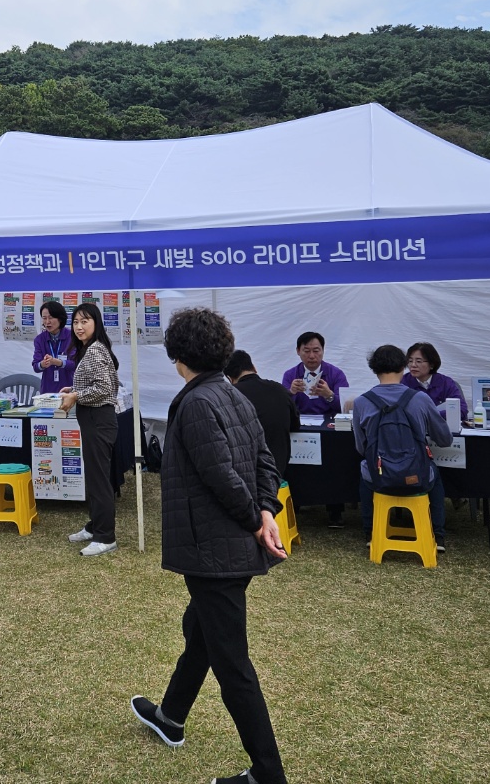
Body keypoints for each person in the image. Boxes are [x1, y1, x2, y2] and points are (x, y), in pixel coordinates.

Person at [132, 307, 287, 784]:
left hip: (217, 550)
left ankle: (267, 773)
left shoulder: (199, 402)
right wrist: (265, 512)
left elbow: (223, 475)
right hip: (228, 547)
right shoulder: (233, 394)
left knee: (231, 661)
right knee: (200, 630)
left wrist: (257, 518)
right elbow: (266, 461)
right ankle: (171, 716)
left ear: (177, 354)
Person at [353, 344, 453, 552]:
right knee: (433, 472)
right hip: (416, 475)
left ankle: (370, 532)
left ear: (374, 369)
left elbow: (361, 447)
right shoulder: (420, 399)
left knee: (365, 469)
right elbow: (444, 439)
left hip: (379, 477)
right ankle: (438, 535)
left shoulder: (362, 402)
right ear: (403, 367)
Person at [58, 301, 121, 557]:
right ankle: (95, 526)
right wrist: (74, 392)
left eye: (85, 321)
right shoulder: (89, 348)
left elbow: (104, 389)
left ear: (96, 323)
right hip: (94, 418)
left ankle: (106, 537)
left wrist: (76, 396)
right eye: (75, 322)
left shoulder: (95, 350)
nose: (79, 327)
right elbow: (97, 386)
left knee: (99, 480)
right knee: (95, 477)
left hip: (99, 418)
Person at [281, 332, 349, 527]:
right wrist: (291, 393)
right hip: (300, 424)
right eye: (307, 351)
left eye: (316, 351)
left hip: (329, 425)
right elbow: (282, 405)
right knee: (297, 465)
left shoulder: (335, 374)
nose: (312, 356)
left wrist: (329, 396)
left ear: (323, 351)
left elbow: (347, 407)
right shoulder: (290, 375)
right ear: (298, 352)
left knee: (334, 462)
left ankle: (335, 509)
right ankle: (296, 504)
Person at [225, 349, 298, 478]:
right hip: (279, 468)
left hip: (245, 472)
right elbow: (295, 425)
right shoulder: (279, 389)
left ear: (230, 378)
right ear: (254, 367)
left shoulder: (230, 395)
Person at [401, 341, 468, 422]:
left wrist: (430, 415)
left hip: (442, 430)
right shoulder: (403, 382)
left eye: (418, 361)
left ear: (432, 364)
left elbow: (462, 410)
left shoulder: (446, 383)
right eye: (410, 361)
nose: (413, 365)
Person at [31, 299, 77, 394]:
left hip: (68, 387)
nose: (47, 322)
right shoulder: (39, 339)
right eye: (44, 318)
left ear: (60, 318)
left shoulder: (72, 337)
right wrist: (43, 364)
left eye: (51, 317)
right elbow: (36, 366)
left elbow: (75, 364)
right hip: (48, 389)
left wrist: (58, 362)